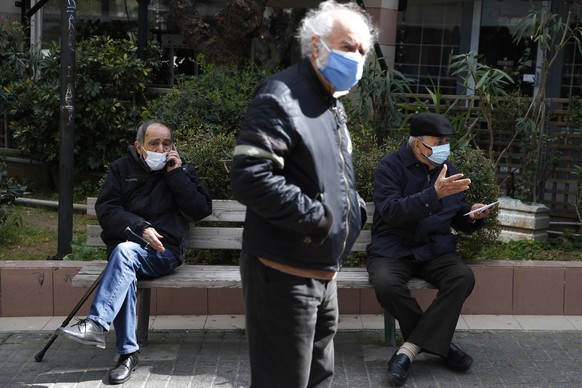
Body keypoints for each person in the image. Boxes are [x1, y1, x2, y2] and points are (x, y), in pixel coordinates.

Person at [230, 1, 377, 387]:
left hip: (323, 278)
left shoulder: (331, 105)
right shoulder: (282, 95)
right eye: (348, 46)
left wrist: (351, 212)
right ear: (316, 47)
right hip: (283, 278)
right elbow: (249, 175)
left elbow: (332, 179)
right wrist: (320, 221)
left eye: (362, 50)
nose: (357, 57)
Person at [58, 120, 212, 384]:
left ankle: (97, 326)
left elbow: (200, 209)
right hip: (127, 248)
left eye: (166, 143)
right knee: (125, 260)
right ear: (139, 146)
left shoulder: (182, 170)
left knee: (124, 254)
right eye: (154, 143)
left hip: (165, 252)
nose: (161, 148)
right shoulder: (121, 169)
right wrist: (140, 228)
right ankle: (127, 354)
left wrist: (176, 174)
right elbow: (107, 210)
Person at [366, 112, 495, 386]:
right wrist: (432, 195)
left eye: (445, 141)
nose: (443, 147)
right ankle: (443, 347)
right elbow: (391, 211)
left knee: (462, 277)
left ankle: (408, 350)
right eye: (438, 141)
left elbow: (454, 212)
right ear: (417, 144)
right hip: (393, 248)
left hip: (433, 249)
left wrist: (471, 215)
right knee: (387, 285)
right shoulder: (390, 166)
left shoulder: (445, 168)